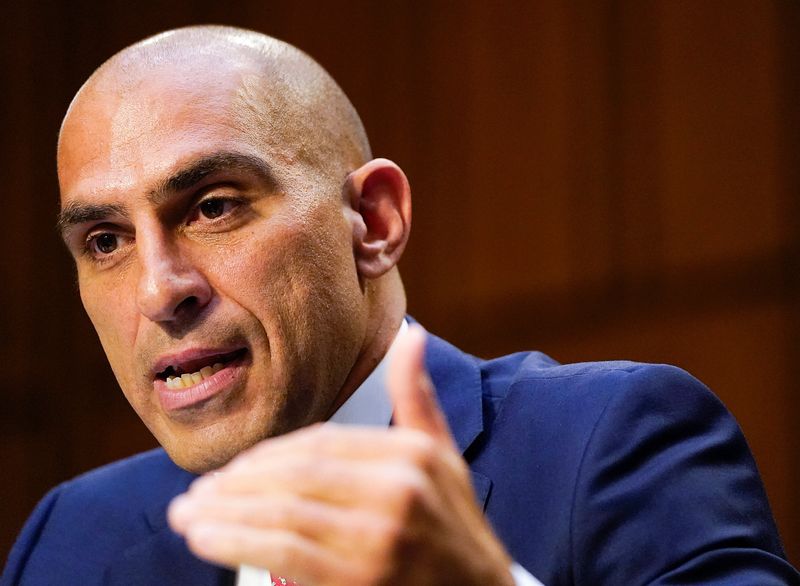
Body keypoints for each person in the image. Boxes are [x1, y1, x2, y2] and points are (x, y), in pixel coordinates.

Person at [2, 24, 798, 586]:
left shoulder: (613, 444)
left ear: (374, 223)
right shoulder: (74, 540)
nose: (159, 289)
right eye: (106, 241)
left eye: (213, 207)